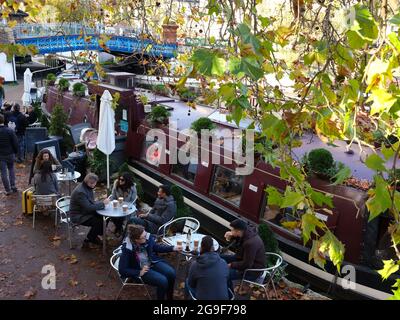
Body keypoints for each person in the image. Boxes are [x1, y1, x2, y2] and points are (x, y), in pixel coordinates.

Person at [118, 224, 182, 300]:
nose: (146, 238)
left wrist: (173, 248)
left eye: (145, 235)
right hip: (140, 268)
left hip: (151, 262)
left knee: (171, 273)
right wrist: (138, 272)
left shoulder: (147, 236)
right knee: (163, 281)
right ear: (136, 240)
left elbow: (156, 247)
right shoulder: (127, 248)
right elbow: (122, 270)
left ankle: (169, 297)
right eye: (143, 237)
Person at [221, 219, 266, 289]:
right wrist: (232, 236)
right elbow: (240, 245)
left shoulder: (250, 243)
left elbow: (247, 264)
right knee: (220, 257)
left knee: (224, 275)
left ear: (238, 231)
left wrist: (231, 265)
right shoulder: (247, 231)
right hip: (242, 258)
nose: (231, 231)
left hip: (252, 271)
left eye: (232, 230)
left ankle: (229, 293)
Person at [69, 173, 110, 248]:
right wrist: (103, 204)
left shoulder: (87, 187)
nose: (93, 185)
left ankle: (97, 234)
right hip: (78, 215)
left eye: (94, 183)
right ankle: (89, 239)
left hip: (84, 211)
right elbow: (88, 207)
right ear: (86, 181)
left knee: (105, 216)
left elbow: (90, 203)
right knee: (98, 222)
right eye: (91, 183)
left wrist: (101, 203)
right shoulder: (80, 192)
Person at [186, 236, 230, 300]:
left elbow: (191, 284)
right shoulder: (223, 262)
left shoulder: (195, 265)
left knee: (187, 281)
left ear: (201, 248)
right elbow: (227, 279)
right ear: (213, 248)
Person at [0, 114, 18, 195]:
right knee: (11, 169)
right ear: (3, 120)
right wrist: (15, 151)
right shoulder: (9, 130)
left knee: (3, 172)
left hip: (1, 155)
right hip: (10, 153)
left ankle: (8, 190)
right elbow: (15, 142)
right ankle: (13, 186)